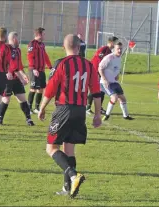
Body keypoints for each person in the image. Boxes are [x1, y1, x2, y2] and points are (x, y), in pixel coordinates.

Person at [38, 34, 102, 198]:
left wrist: (42, 107)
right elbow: (96, 92)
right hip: (80, 111)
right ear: (79, 47)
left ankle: (74, 176)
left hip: (64, 109)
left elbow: (51, 89)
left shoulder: (61, 63)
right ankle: (69, 189)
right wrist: (97, 114)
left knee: (51, 148)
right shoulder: (89, 65)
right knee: (69, 150)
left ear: (63, 46)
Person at [0, 31, 35, 126]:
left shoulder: (18, 50)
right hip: (8, 79)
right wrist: (21, 77)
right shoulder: (6, 49)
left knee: (22, 98)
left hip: (16, 78)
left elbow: (18, 65)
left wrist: (24, 75)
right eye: (17, 38)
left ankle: (28, 119)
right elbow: (12, 66)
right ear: (14, 39)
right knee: (6, 99)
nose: (19, 40)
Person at [99, 42, 134, 121]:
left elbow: (116, 68)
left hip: (114, 82)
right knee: (114, 98)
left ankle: (126, 116)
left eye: (121, 49)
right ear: (114, 49)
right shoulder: (109, 57)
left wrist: (117, 75)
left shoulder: (119, 58)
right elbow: (100, 68)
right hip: (105, 83)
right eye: (118, 49)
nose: (119, 50)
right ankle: (106, 116)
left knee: (123, 99)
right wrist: (104, 79)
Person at [86, 36, 118, 114]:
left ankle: (99, 108)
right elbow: (98, 60)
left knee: (102, 89)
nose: (116, 44)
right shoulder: (104, 49)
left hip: (102, 72)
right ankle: (88, 107)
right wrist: (98, 72)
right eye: (115, 42)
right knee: (94, 89)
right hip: (95, 71)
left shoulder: (110, 52)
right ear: (111, 42)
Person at [27, 27, 52, 114]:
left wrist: (50, 66)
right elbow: (30, 57)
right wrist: (33, 68)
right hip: (34, 70)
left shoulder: (42, 44)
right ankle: (28, 108)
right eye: (44, 34)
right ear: (39, 34)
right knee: (33, 89)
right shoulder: (32, 44)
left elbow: (45, 56)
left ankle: (36, 107)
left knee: (41, 89)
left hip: (41, 70)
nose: (45, 35)